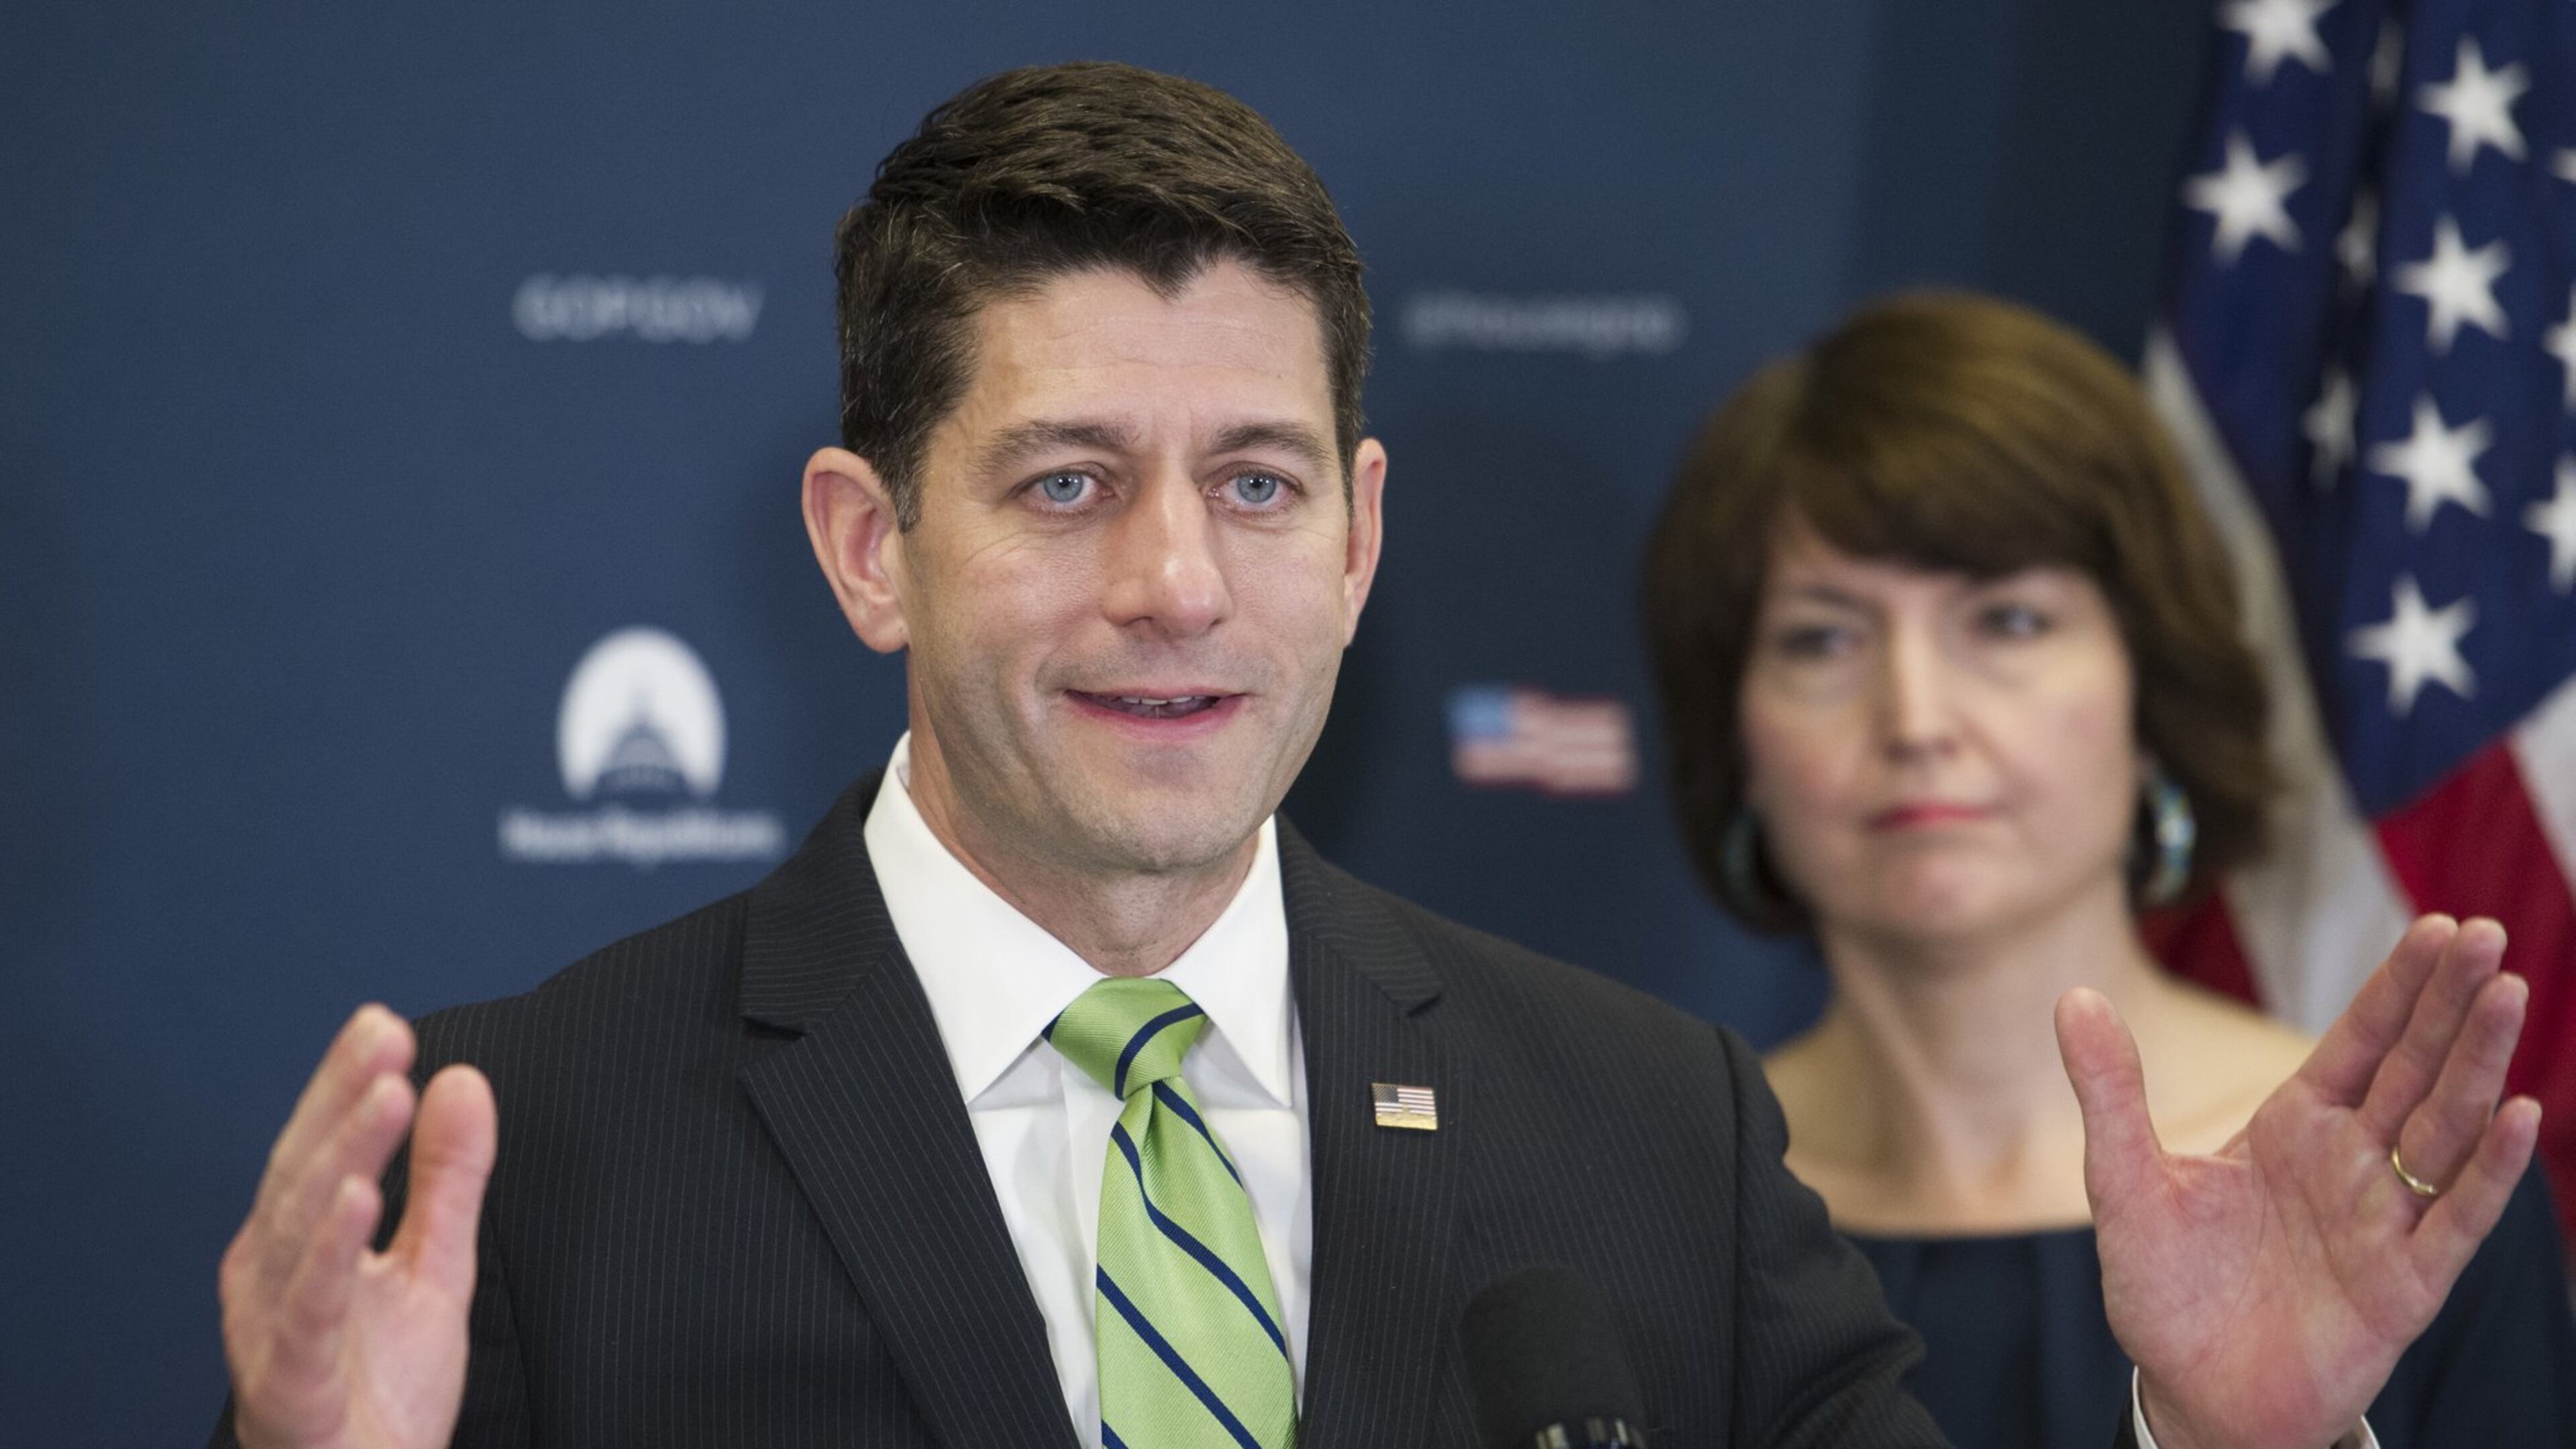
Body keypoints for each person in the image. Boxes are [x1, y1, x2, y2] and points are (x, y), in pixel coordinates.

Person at [215, 68, 2540, 1449]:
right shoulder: (526, 1153)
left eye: (1253, 482)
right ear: (866, 546)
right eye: (1060, 485)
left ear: (1360, 536)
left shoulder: (1659, 1140)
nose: (1176, 585)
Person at [1640, 290, 2576, 1449]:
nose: (1917, 717)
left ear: (2152, 694)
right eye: (1824, 638)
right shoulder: (1636, 1208)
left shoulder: (2398, 1181)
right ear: (1737, 738)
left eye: (2010, 623)